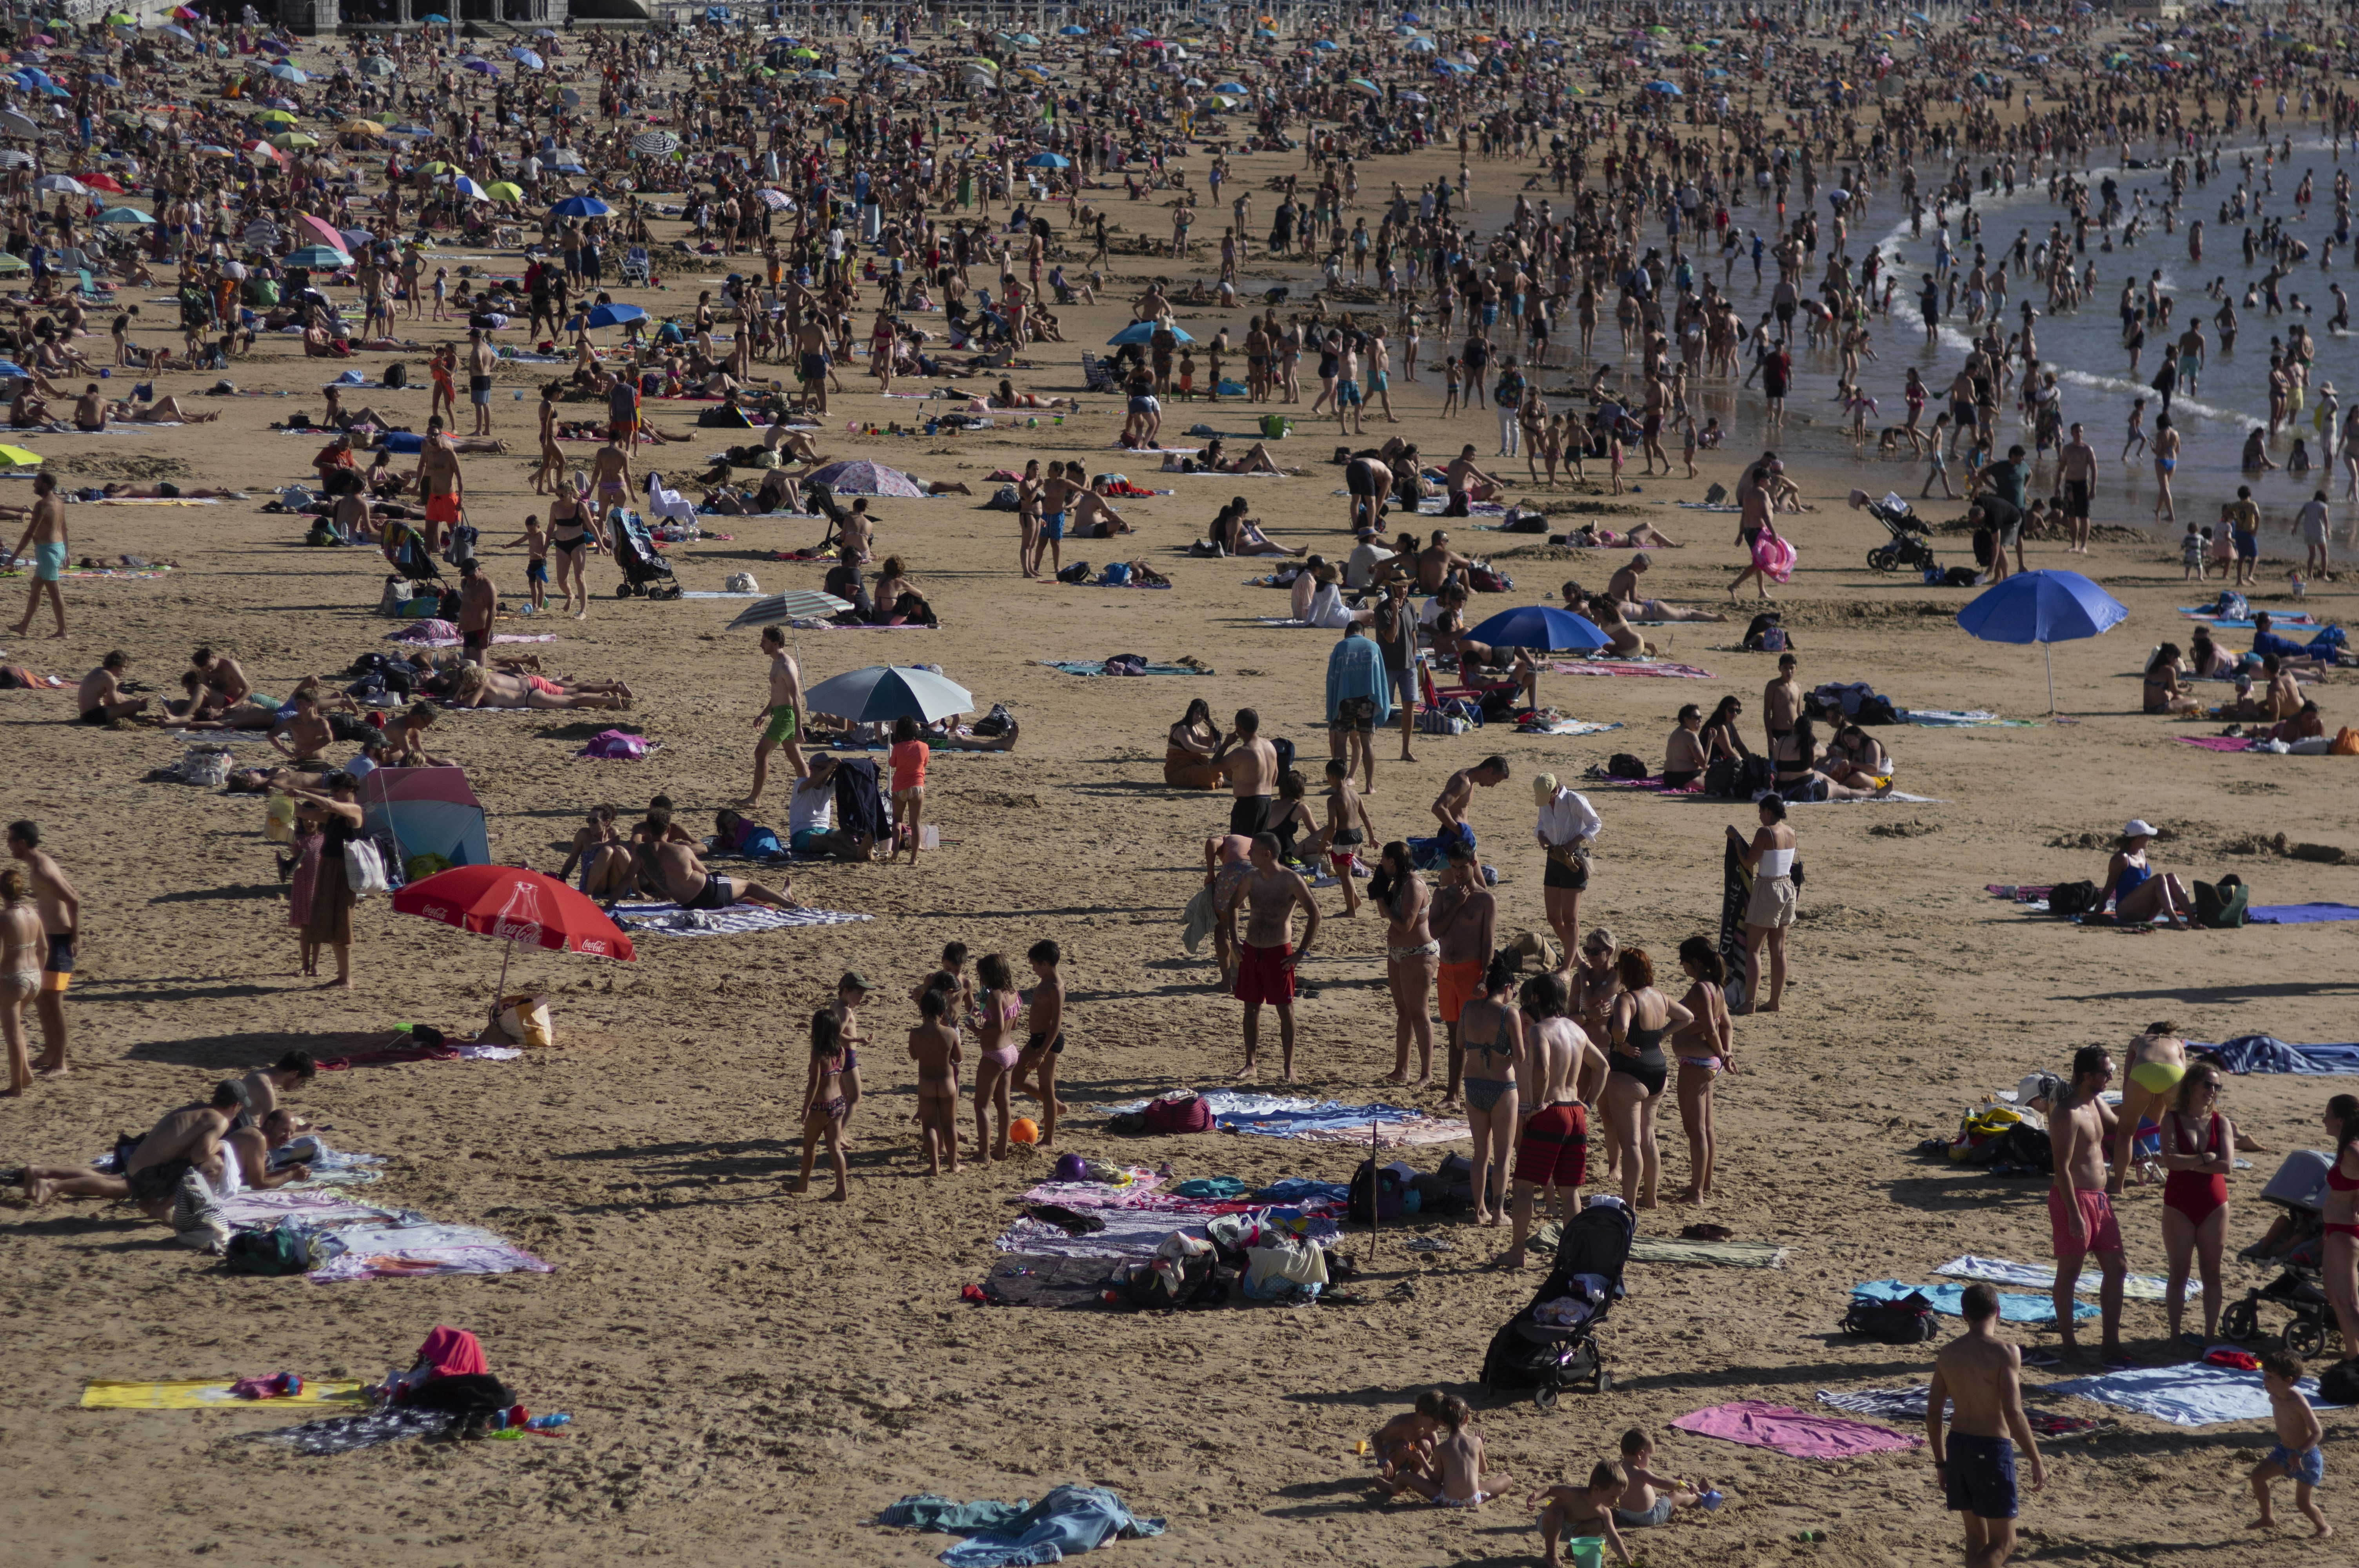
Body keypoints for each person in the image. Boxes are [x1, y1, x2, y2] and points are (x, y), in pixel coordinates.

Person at [1926, 1281, 2048, 1568]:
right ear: (1999, 1311)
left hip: (1957, 1446)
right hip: (1991, 1449)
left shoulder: (1948, 1353)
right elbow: (2013, 1411)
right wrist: (2035, 1458)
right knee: (2004, 1542)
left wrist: (1941, 1464)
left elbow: (1933, 1416)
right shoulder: (2005, 1352)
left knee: (1976, 1539)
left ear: (1964, 1315)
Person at [19, 1082, 241, 1217]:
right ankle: (53, 1186)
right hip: (148, 1172)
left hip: (138, 1161)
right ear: (235, 1106)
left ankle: (40, 1171)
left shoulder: (197, 1108)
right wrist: (222, 1146)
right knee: (215, 1164)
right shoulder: (220, 1120)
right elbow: (201, 1155)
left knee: (114, 1178)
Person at [1503, 971, 1603, 1270]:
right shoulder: (1576, 1030)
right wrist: (1589, 1102)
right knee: (1570, 1189)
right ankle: (1569, 1255)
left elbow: (1543, 1069)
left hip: (1551, 1111)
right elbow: (1604, 1067)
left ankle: (1518, 1251)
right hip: (1575, 1111)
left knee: (1523, 1186)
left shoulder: (1540, 1030)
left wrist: (1536, 1104)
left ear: (1536, 998)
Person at [1216, 832, 1319, 1082]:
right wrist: (1236, 940)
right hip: (1252, 950)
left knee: (1285, 1010)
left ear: (1267, 854)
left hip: (1279, 953)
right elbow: (1232, 907)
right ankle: (1250, 1064)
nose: (1248, 854)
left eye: (1253, 851)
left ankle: (1288, 1068)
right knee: (1250, 1008)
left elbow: (1315, 915)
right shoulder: (1250, 878)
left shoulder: (1292, 880)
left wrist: (1300, 953)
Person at [2049, 1044, 2128, 1364]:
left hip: (2100, 1198)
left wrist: (2152, 1102)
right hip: (2074, 1198)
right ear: (2086, 1076)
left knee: (2118, 1268)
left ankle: (2110, 1342)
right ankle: (2070, 1345)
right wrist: (2073, 1214)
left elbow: (2122, 1124)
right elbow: (2062, 1168)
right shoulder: (2066, 1113)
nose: (2111, 1077)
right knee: (2070, 1272)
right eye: (2106, 1072)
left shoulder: (2095, 1102)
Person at [1602, 947, 1691, 1210]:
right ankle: (1650, 1197)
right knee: (1648, 1138)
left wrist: (1620, 1044)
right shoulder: (1660, 997)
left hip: (1630, 1074)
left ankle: (1628, 1203)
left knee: (1630, 1142)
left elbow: (1621, 1027)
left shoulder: (1626, 999)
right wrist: (1660, 1034)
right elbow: (1687, 1017)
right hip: (1657, 1071)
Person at [2157, 1064, 2235, 1349]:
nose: (2212, 1092)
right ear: (2191, 1085)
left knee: (2211, 1273)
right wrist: (2204, 1158)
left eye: (2217, 1087)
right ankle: (2175, 1337)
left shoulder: (2221, 1122)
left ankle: (2210, 1336)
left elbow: (2226, 1165)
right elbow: (2170, 1162)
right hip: (2179, 1205)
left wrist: (2188, 1162)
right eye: (2207, 1085)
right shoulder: (2172, 1119)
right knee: (2179, 1273)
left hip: (2215, 1206)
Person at [274, 771, 363, 988]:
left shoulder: (354, 810)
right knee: (331, 921)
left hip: (343, 870)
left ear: (350, 790)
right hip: (328, 866)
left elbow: (330, 805)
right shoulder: (334, 814)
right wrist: (283, 797)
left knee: (342, 921)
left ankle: (347, 978)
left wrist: (302, 792)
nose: (334, 794)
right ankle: (342, 976)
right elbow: (305, 812)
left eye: (338, 790)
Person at [1456, 958, 1525, 1226]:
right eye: (1514, 991)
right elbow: (1519, 1057)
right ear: (1508, 987)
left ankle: (1479, 1211)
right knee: (1503, 1154)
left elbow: (1460, 1043)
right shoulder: (1509, 1013)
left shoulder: (1468, 1008)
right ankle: (1498, 1213)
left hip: (1473, 1084)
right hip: (1502, 1087)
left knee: (1480, 1154)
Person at [7, 821, 76, 1080]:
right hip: (51, 940)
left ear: (22, 843)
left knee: (54, 1003)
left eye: (11, 840)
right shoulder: (38, 866)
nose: (9, 845)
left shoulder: (42, 869)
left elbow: (74, 899)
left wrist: (75, 936)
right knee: (44, 1000)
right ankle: (49, 1054)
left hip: (59, 942)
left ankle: (60, 1063)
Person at [1367, 839, 1436, 1087]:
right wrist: (1381, 892)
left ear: (1393, 861)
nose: (1381, 864)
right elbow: (1382, 915)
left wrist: (1383, 901)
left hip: (1418, 953)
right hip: (1397, 953)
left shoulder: (1415, 886)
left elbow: (1406, 925)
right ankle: (1402, 1069)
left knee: (1419, 1012)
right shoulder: (1399, 883)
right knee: (1403, 1012)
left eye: (1384, 860)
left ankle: (1427, 1074)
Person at [1430, 844, 1495, 1109]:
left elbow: (1488, 943)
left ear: (1473, 865)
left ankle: (1483, 1093)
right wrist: (1456, 905)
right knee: (1454, 1036)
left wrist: (1485, 978)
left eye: (1463, 867)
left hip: (1472, 971)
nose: (1458, 873)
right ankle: (1453, 1095)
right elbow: (1434, 932)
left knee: (1477, 1037)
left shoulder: (1485, 900)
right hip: (1447, 971)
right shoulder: (1443, 895)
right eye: (1453, 867)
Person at [1670, 937, 1734, 1204]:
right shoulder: (1717, 989)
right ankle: (1704, 1185)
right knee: (1707, 1128)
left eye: (1683, 960)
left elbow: (1710, 1029)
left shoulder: (1699, 989)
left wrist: (1722, 1054)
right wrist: (1726, 1054)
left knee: (1695, 1130)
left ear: (1695, 962)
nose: (1681, 965)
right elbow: (1726, 1026)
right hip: (1709, 1064)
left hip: (1697, 1064)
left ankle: (1696, 1192)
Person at [642, 809, 797, 911]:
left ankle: (782, 895)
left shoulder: (640, 853)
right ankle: (789, 904)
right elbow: (705, 872)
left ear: (648, 830)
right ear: (669, 830)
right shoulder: (682, 850)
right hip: (708, 892)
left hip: (688, 904)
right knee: (749, 885)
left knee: (738, 895)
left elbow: (627, 879)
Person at [2249, 1349, 2332, 1537]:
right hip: (2284, 1451)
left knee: (2302, 1503)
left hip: (2306, 1457)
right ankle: (2268, 1517)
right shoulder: (2274, 1398)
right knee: (2257, 1476)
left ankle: (2324, 1527)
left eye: (2270, 1377)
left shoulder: (2298, 1402)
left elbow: (2318, 1433)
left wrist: (2299, 1452)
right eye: (2265, 1376)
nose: (2265, 1381)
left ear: (2287, 1380)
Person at [1728, 796, 1796, 1014]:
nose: (1760, 816)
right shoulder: (1791, 832)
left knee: (1753, 950)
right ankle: (1775, 1001)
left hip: (1768, 889)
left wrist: (1737, 840)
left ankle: (1750, 1002)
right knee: (1778, 951)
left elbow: (1748, 862)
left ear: (1768, 811)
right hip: (1787, 887)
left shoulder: (1765, 832)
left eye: (1761, 812)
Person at [1393, 1392, 1512, 1508]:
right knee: (1508, 1479)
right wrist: (1479, 1449)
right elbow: (1483, 1470)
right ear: (1467, 1419)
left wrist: (1422, 1460)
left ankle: (1391, 1488)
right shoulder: (1476, 1441)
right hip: (1473, 1499)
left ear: (1443, 1423)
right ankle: (1500, 1479)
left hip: (1447, 1501)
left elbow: (1436, 1481)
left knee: (1403, 1476)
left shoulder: (1441, 1449)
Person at [1532, 772, 1601, 972]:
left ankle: (1567, 967)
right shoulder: (1546, 802)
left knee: (1570, 919)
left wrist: (1575, 841)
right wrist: (1541, 836)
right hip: (1554, 857)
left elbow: (1596, 823)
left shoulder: (1575, 800)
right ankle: (1578, 960)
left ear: (1555, 790)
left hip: (1574, 859)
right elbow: (1541, 823)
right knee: (1553, 917)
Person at [737, 626, 805, 809]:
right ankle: (811, 793)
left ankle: (755, 799)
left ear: (776, 643)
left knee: (761, 754)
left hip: (785, 717)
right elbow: (777, 695)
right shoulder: (776, 663)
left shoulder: (785, 666)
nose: (761, 645)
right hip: (780, 713)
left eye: (764, 641)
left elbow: (797, 698)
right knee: (795, 758)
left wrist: (799, 727)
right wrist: (764, 714)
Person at [792, 1007, 852, 1201]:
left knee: (809, 1146)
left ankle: (802, 1184)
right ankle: (842, 1189)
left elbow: (814, 1083)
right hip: (839, 1103)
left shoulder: (818, 1053)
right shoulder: (841, 1051)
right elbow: (840, 1077)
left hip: (821, 1106)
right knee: (835, 1148)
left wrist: (805, 1108)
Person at [1325, 618, 1391, 795]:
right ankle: (1370, 785)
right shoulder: (1374, 647)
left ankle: (1341, 785)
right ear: (1364, 633)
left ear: (1347, 633)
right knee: (1367, 742)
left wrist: (1331, 705)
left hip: (1345, 699)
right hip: (1367, 700)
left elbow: (1332, 679)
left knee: (1341, 740)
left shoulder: (1341, 646)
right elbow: (1381, 679)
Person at [1010, 938, 1065, 1146]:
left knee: (1047, 1088)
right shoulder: (1045, 981)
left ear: (1045, 964)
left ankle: (1049, 1139)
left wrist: (1042, 1053)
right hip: (1036, 1039)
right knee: (1016, 1078)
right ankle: (1057, 1106)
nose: (1033, 968)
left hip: (1048, 1043)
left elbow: (1056, 1025)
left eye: (1035, 964)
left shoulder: (1056, 987)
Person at [1528, 1462, 1635, 1567]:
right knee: (1558, 1513)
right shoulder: (1574, 1493)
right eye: (1613, 1496)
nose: (1616, 1501)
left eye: (1619, 1497)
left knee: (1599, 1524)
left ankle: (1573, 1550)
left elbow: (1613, 1537)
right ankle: (1551, 1555)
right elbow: (1550, 1489)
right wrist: (1534, 1497)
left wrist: (1625, 1557)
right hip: (1549, 1525)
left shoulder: (1605, 1512)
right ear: (1597, 1489)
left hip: (1575, 1531)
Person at [1609, 1428, 1710, 1534]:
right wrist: (1684, 1483)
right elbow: (1662, 1483)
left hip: (1626, 1515)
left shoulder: (1619, 1471)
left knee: (1661, 1499)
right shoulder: (1641, 1473)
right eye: (1650, 1457)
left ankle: (1680, 1507)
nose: (1650, 1460)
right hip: (1649, 1517)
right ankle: (1699, 1496)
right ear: (1640, 1454)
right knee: (1676, 1496)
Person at [2319, 1093, 2359, 1360]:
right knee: (2336, 1297)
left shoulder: (2353, 1150)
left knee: (2348, 1302)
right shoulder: (2346, 1148)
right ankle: (2352, 1356)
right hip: (2336, 1229)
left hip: (2346, 1231)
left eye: (2328, 1115)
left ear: (2342, 1120)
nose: (2324, 1120)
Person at [970, 952, 1021, 1162]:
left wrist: (978, 1032)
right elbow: (1014, 1024)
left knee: (982, 1104)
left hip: (995, 1054)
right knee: (1004, 1104)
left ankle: (984, 1154)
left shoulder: (995, 995)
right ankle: (1002, 1150)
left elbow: (998, 1027)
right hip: (1011, 1051)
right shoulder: (1013, 993)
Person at [908, 987, 962, 1177]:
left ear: (922, 1010)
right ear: (942, 1011)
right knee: (950, 1125)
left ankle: (934, 1166)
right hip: (947, 1083)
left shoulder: (915, 1033)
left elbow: (914, 1056)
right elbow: (959, 1058)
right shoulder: (950, 1033)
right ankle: (954, 1164)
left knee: (929, 1125)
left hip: (926, 1083)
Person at [2099, 818, 2191, 929]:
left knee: (2171, 877)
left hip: (2146, 911)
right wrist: (2097, 912)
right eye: (2148, 836)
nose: (2150, 839)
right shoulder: (2121, 858)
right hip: (2126, 912)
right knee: (2159, 878)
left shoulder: (2141, 852)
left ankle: (2193, 920)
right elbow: (2110, 886)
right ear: (2139, 838)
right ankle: (2174, 920)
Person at [7, 473, 68, 639]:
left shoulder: (42, 505)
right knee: (35, 587)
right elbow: (64, 529)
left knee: (55, 592)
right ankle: (23, 626)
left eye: (37, 483)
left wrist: (14, 557)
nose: (34, 485)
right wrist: (67, 553)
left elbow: (30, 533)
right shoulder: (59, 502)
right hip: (55, 548)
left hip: (48, 552)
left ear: (46, 486)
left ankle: (63, 631)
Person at [0, 866, 39, 1095]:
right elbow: (43, 948)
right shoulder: (32, 913)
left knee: (12, 1032)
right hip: (35, 976)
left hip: (13, 978)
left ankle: (16, 1087)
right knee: (18, 1027)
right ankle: (25, 1072)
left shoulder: (4, 918)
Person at [1212, 707, 1279, 838]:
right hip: (1267, 802)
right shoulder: (1269, 745)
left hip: (1248, 805)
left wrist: (1225, 744)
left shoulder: (1243, 751)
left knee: (1241, 847)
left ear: (1239, 727)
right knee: (1258, 848)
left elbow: (1213, 767)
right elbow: (1276, 773)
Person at [1432, 755, 1508, 859]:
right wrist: (1460, 833)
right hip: (1453, 836)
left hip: (1461, 835)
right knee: (1462, 875)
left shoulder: (1469, 780)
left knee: (1474, 876)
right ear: (1489, 770)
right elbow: (1438, 808)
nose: (1493, 785)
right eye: (1495, 780)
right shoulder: (1464, 782)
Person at [887, 715, 928, 866]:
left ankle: (895, 853)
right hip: (917, 786)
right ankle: (914, 858)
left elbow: (892, 764)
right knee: (915, 823)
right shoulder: (923, 746)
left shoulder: (898, 747)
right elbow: (925, 763)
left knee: (898, 820)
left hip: (900, 787)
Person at [77, 650, 148, 725]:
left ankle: (130, 715)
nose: (125, 671)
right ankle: (128, 718)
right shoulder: (109, 678)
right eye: (124, 667)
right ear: (115, 665)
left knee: (119, 695)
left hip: (85, 715)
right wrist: (138, 704)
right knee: (134, 704)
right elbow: (115, 704)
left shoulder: (99, 670)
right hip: (94, 717)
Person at [1165, 697, 1221, 789]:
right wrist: (1214, 750)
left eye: (1202, 715)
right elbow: (1190, 746)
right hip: (1177, 772)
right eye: (1197, 712)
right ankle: (1229, 783)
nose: (1199, 717)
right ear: (1191, 711)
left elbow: (1208, 744)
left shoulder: (1195, 728)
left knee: (1223, 767)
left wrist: (1211, 729)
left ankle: (1222, 781)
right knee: (1212, 771)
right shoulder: (1182, 728)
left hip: (1193, 767)